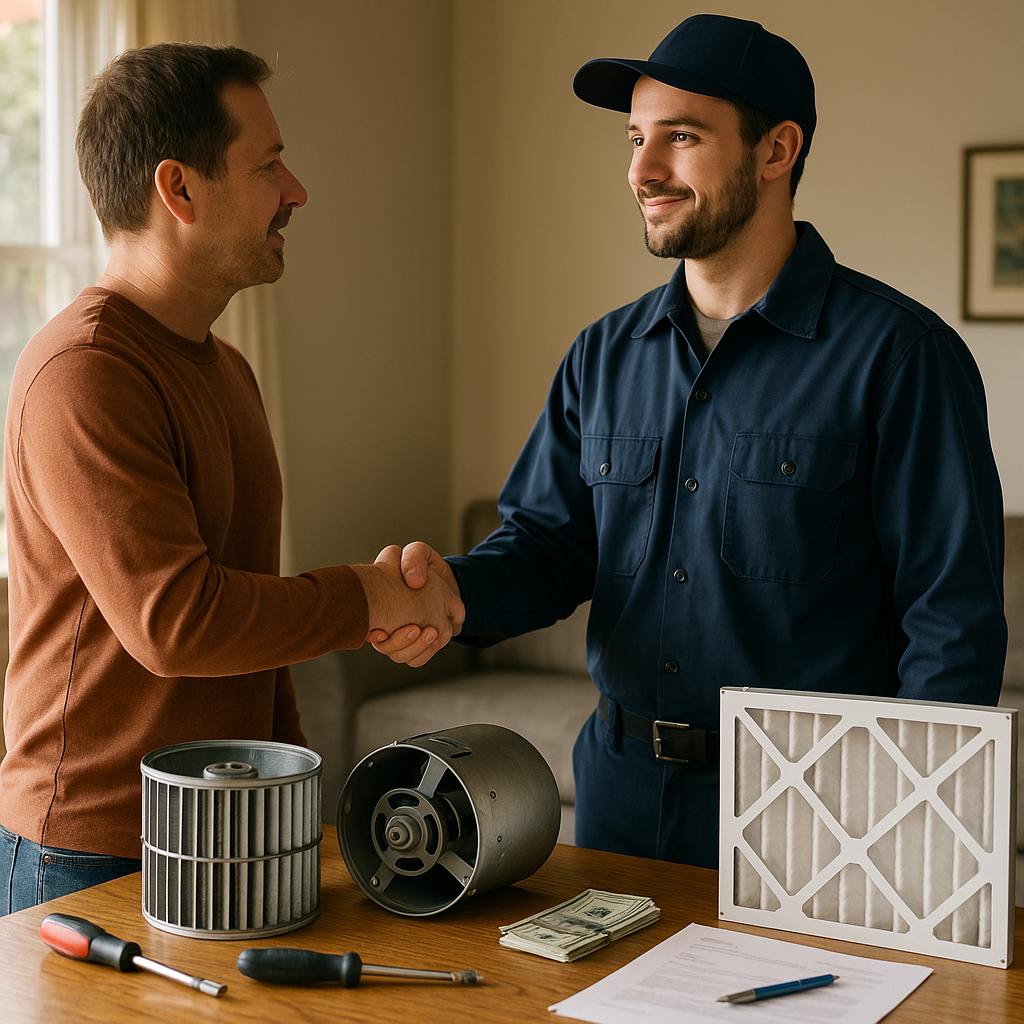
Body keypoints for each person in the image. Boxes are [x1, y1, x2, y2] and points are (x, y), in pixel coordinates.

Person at [374, 15, 1006, 868]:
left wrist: (918, 831)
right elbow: (547, 549)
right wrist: (451, 594)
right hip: (620, 802)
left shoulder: (902, 358)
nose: (642, 170)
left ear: (777, 149)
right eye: (636, 138)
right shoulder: (603, 354)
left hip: (819, 817)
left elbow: (951, 623)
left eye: (681, 137)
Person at [0, 42, 462, 914]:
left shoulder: (229, 372)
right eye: (268, 165)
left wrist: (298, 806)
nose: (297, 191)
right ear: (178, 189)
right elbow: (177, 623)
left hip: (230, 831)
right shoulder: (84, 372)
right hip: (90, 852)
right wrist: (366, 598)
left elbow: (248, 619)